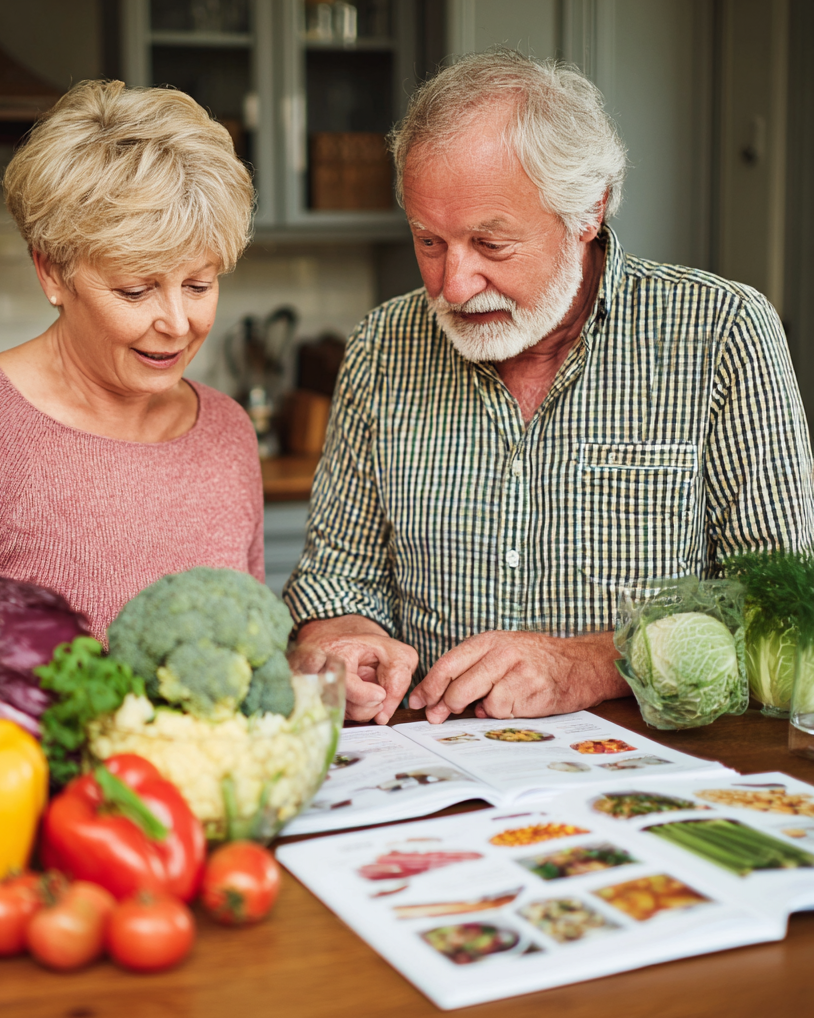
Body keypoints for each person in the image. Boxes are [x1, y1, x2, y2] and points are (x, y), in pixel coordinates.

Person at [283, 49, 814, 725]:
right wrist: (340, 641)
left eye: (491, 244)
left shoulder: (722, 335)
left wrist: (595, 664)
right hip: (432, 772)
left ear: (586, 213)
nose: (453, 285)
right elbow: (337, 580)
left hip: (647, 776)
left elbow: (786, 618)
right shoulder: (382, 346)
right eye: (429, 242)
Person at [0, 80, 261, 653]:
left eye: (198, 284)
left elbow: (250, 660)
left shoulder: (227, 431)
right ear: (52, 272)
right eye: (136, 291)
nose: (178, 323)